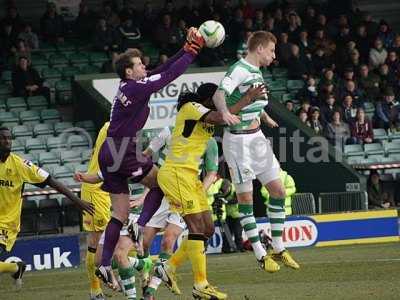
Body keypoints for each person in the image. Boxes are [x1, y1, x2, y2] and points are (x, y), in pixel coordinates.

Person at [96, 28, 205, 286]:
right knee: (160, 183)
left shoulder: (130, 86)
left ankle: (103, 265)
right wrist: (194, 53)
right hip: (123, 151)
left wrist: (185, 47)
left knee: (118, 214)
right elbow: (168, 75)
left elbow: (160, 69)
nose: (144, 66)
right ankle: (140, 224)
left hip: (109, 152)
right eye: (139, 64)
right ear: (128, 72)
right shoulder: (135, 88)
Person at [157, 83, 264, 299]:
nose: (221, 100)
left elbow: (225, 115)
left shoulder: (207, 112)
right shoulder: (191, 106)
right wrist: (246, 98)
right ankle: (200, 285)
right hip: (176, 173)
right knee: (196, 228)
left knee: (206, 229)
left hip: (190, 177)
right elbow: (219, 116)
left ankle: (168, 267)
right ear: (209, 97)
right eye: (218, 97)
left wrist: (249, 102)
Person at [212, 31, 300, 272]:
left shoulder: (255, 71)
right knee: (246, 199)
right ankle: (261, 254)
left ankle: (279, 248)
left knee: (278, 190)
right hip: (238, 142)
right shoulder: (240, 69)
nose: (274, 55)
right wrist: (225, 113)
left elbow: (253, 100)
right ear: (259, 48)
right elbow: (219, 94)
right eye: (271, 50)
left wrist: (265, 116)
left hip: (257, 138)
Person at [0, 127, 93, 288]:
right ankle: (16, 267)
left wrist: (77, 201)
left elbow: (51, 181)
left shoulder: (20, 165)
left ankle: (15, 267)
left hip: (6, 224)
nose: (7, 141)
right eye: (3, 138)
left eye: (9, 138)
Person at [141, 127, 219, 299]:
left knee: (168, 240)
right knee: (144, 243)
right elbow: (145, 156)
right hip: (162, 192)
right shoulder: (169, 131)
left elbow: (211, 172)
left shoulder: (209, 141)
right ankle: (145, 276)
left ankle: (150, 291)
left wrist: (199, 194)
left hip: (185, 192)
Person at [78, 122, 112, 300]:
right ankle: (95, 291)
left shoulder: (112, 127)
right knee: (96, 241)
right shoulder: (112, 127)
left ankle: (100, 285)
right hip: (94, 189)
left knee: (104, 240)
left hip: (101, 187)